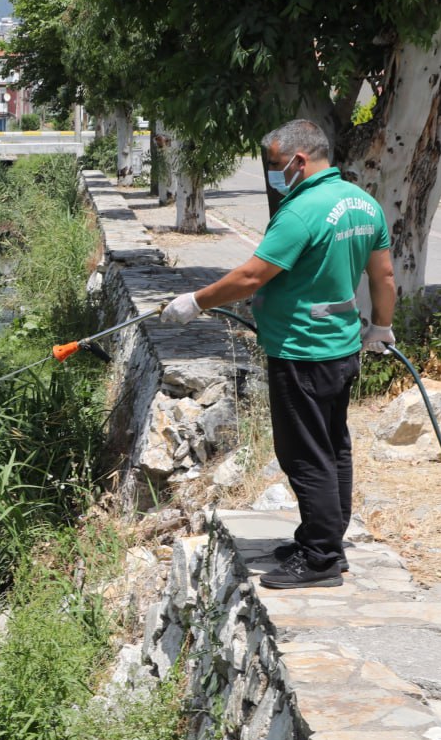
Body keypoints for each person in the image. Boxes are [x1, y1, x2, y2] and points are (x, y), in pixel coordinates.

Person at [161, 119, 396, 589]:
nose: (273, 173)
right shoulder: (363, 203)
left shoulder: (302, 210)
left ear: (299, 160)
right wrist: (381, 326)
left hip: (302, 351)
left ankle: (320, 559)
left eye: (274, 164)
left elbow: (252, 276)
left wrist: (195, 302)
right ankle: (324, 540)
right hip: (342, 349)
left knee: (304, 454)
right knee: (332, 447)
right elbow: (384, 275)